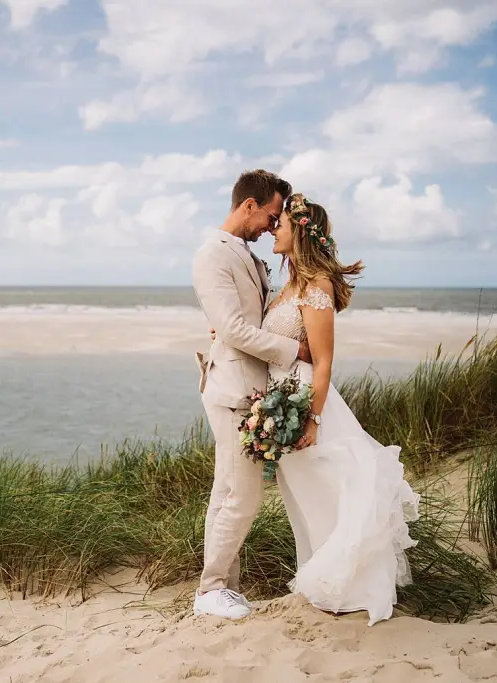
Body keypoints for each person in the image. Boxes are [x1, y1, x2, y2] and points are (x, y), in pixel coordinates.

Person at [263, 192, 421, 626]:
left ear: (299, 231)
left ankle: (348, 588)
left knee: (327, 491)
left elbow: (323, 361)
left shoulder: (317, 286)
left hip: (305, 404)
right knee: (304, 496)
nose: (273, 229)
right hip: (281, 402)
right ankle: (321, 581)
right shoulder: (289, 285)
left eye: (280, 224)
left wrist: (312, 420)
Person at [190, 169, 311, 620]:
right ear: (249, 206)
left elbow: (240, 321)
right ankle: (210, 589)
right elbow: (236, 329)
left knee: (226, 492)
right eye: (271, 216)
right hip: (232, 390)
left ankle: (224, 588)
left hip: (247, 386)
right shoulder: (213, 255)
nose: (272, 226)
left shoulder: (244, 254)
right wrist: (293, 350)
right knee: (244, 497)